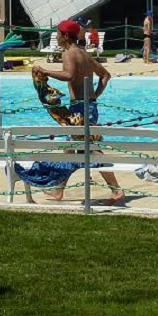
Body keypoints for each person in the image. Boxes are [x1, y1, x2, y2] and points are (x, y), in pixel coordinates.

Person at [31, 20, 124, 204]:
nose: (57, 36)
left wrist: (44, 71)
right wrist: (94, 95)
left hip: (80, 109)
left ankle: (116, 189)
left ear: (65, 36)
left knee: (91, 149)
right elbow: (105, 75)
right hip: (87, 106)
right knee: (70, 148)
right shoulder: (83, 53)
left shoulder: (69, 53)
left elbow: (69, 75)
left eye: (58, 33)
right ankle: (59, 190)